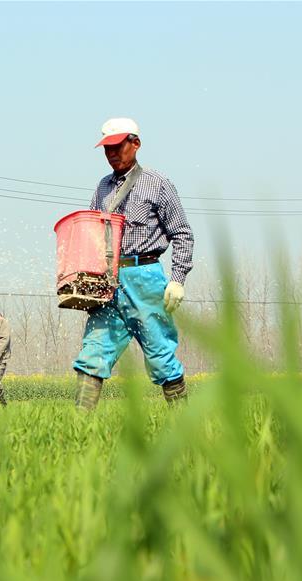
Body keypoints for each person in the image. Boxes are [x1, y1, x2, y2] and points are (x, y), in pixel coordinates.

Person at [73, 117, 194, 408]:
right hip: (109, 281)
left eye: (117, 147)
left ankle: (184, 423)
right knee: (93, 352)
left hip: (146, 276)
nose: (112, 154)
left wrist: (177, 278)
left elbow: (182, 234)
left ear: (135, 143)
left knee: (160, 354)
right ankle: (77, 427)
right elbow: (91, 233)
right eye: (107, 149)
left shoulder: (158, 183)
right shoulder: (102, 187)